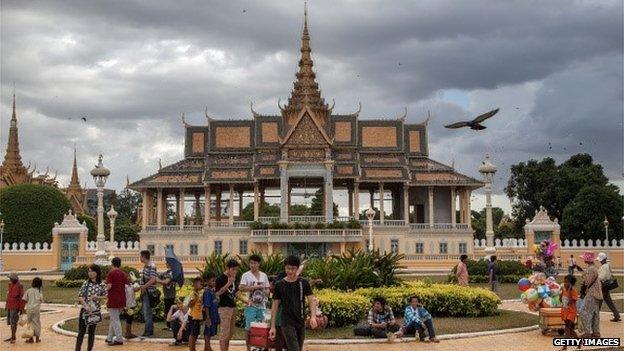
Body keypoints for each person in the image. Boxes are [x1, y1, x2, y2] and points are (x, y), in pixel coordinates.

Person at [269, 255, 318, 351]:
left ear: (297, 268)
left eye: (293, 268)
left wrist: (313, 316)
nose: (290, 271)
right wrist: (273, 326)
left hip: (300, 321)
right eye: (288, 268)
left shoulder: (303, 283)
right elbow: (275, 306)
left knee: (298, 348)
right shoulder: (279, 284)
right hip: (286, 322)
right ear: (284, 268)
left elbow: (311, 300)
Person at [239, 254, 270, 350]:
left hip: (262, 306)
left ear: (259, 264)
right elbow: (241, 288)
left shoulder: (264, 275)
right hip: (250, 306)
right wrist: (254, 287)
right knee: (249, 328)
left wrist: (265, 292)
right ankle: (248, 348)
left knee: (261, 328)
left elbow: (268, 289)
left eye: (255, 263)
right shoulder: (246, 275)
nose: (253, 265)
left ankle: (260, 347)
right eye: (251, 263)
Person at [75, 264, 107, 351]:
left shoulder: (102, 284)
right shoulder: (86, 283)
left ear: (97, 272)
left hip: (95, 311)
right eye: (89, 271)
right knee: (81, 332)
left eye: (92, 271)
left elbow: (106, 296)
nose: (90, 273)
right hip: (85, 310)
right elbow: (80, 296)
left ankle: (89, 349)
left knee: (91, 332)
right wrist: (86, 306)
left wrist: (97, 297)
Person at [215, 259, 240, 351]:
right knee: (224, 333)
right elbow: (218, 293)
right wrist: (228, 283)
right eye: (233, 269)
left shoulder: (234, 278)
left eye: (236, 270)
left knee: (230, 333)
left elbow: (236, 293)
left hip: (233, 307)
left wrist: (247, 301)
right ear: (227, 268)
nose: (235, 272)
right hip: (224, 308)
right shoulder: (220, 278)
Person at [578, 251, 602, 338]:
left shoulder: (591, 269)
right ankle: (596, 332)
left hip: (591, 293)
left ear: (587, 260)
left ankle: (587, 332)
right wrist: (583, 272)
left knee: (584, 311)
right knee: (595, 313)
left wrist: (583, 275)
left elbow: (588, 281)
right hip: (596, 293)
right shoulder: (593, 268)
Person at [136, 250, 158, 338]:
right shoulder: (146, 266)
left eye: (140, 256)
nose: (140, 258)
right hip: (145, 292)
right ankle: (149, 330)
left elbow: (153, 279)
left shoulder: (151, 266)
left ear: (144, 257)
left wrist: (144, 287)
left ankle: (148, 332)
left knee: (147, 312)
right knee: (146, 312)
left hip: (149, 292)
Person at [106, 257, 127, 346]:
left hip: (113, 298)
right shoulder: (123, 274)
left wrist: (104, 289)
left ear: (112, 263)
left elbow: (109, 286)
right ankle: (109, 337)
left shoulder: (111, 273)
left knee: (115, 320)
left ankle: (119, 339)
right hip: (122, 298)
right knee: (113, 319)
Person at [181, 277, 205, 351]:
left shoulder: (200, 293)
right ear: (194, 285)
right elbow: (189, 304)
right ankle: (192, 348)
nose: (201, 285)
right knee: (193, 333)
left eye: (201, 284)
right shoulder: (193, 294)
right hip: (193, 316)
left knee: (195, 333)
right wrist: (196, 298)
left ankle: (193, 348)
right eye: (199, 284)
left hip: (197, 316)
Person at [597, 252, 620, 322]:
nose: (600, 261)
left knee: (598, 302)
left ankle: (595, 317)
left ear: (603, 260)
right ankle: (616, 315)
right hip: (606, 286)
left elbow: (602, 277)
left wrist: (597, 277)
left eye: (600, 260)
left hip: (602, 286)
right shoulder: (608, 265)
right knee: (609, 302)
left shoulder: (604, 267)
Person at [560, 274, 580, 350]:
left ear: (571, 283)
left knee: (567, 329)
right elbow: (561, 300)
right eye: (564, 282)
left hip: (571, 312)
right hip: (565, 312)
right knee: (571, 330)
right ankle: (579, 341)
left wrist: (569, 292)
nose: (565, 284)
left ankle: (565, 346)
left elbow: (574, 299)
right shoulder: (564, 290)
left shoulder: (573, 291)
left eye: (567, 282)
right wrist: (560, 296)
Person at [4, 272, 24, 344]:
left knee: (13, 322)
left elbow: (22, 297)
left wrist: (21, 308)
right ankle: (13, 336)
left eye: (11, 278)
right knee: (10, 322)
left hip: (15, 306)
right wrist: (6, 306)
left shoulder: (20, 285)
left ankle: (13, 337)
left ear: (14, 279)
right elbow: (8, 295)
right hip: (10, 305)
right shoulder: (10, 284)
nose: (10, 279)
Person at [22, 277, 43, 344]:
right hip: (36, 310)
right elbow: (41, 300)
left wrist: (22, 309)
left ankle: (30, 338)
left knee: (30, 323)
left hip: (29, 310)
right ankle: (37, 338)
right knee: (37, 323)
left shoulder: (28, 291)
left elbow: (24, 300)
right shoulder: (39, 292)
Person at [202, 272, 219, 351]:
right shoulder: (207, 292)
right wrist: (208, 318)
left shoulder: (212, 291)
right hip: (210, 316)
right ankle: (207, 347)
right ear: (207, 281)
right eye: (212, 281)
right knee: (207, 332)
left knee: (211, 332)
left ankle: (207, 347)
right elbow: (206, 306)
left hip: (214, 315)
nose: (214, 282)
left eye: (215, 281)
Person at [158, 261, 177, 331]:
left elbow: (166, 282)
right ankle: (168, 325)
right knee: (167, 311)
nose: (166, 264)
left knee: (171, 311)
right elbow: (161, 277)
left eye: (168, 263)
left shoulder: (172, 273)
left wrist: (157, 280)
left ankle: (172, 326)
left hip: (171, 295)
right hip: (167, 295)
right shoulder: (166, 272)